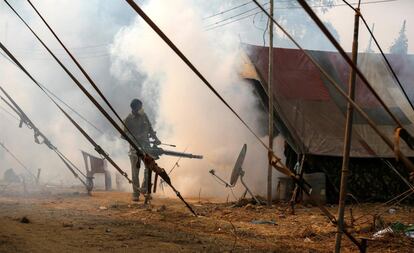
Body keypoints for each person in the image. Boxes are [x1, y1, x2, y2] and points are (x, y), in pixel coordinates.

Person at [123, 98, 161, 202]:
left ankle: (144, 189)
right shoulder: (128, 119)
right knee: (135, 172)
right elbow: (124, 134)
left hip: (146, 146)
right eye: (139, 107)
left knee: (148, 168)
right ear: (134, 108)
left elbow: (150, 128)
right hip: (134, 149)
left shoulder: (144, 115)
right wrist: (135, 137)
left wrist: (156, 139)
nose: (141, 109)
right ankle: (136, 194)